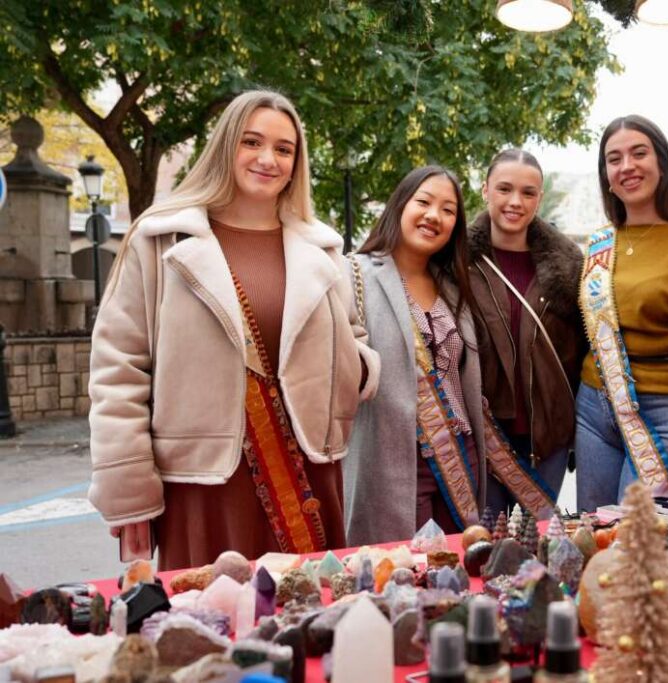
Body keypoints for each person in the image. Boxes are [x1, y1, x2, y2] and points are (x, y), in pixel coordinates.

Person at [87, 90, 379, 570]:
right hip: (204, 483)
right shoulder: (160, 239)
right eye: (252, 142)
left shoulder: (323, 249)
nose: (268, 159)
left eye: (284, 149)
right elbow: (119, 370)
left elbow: (354, 343)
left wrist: (356, 373)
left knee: (309, 626)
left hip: (308, 475)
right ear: (226, 146)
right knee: (210, 628)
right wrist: (129, 490)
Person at [576, 115, 668, 511]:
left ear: (662, 162)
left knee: (639, 545)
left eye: (639, 153)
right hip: (593, 406)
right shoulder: (600, 243)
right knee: (592, 533)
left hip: (663, 414)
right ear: (606, 174)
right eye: (614, 158)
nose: (627, 167)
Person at [344, 166, 488, 545]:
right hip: (393, 458)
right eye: (423, 202)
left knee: (459, 571)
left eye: (448, 210)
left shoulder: (454, 288)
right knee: (404, 578)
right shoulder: (354, 274)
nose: (433, 216)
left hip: (462, 455)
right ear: (399, 206)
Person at [467, 149, 585, 518]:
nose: (515, 202)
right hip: (483, 436)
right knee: (485, 542)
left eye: (528, 192)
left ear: (540, 198)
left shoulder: (572, 268)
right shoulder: (456, 261)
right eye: (504, 189)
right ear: (485, 190)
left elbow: (584, 351)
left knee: (542, 544)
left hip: (548, 435)